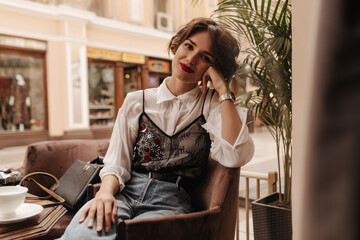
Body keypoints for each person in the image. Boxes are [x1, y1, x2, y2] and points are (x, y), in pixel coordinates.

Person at [59, 17, 254, 239]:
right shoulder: (137, 101)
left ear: (213, 67)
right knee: (82, 235)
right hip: (124, 193)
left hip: (172, 201)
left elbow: (235, 155)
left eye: (205, 57)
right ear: (177, 44)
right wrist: (104, 193)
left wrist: (222, 89)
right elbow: (116, 162)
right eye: (188, 46)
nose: (190, 59)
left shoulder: (210, 104)